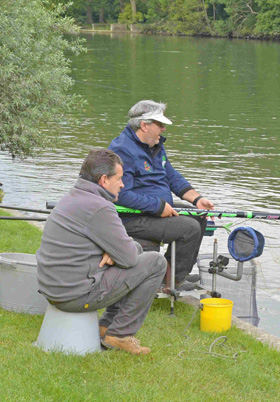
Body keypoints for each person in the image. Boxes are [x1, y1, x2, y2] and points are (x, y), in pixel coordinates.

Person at [36, 149, 167, 355]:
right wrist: (117, 254)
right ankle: (120, 334)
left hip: (54, 288)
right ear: (104, 180)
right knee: (156, 262)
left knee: (137, 250)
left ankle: (106, 326)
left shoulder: (72, 197)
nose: (122, 185)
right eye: (119, 178)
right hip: (73, 295)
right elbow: (129, 257)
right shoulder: (100, 207)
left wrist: (116, 254)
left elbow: (127, 252)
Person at [108, 100, 215, 291]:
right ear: (144, 125)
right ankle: (167, 283)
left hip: (156, 210)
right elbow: (121, 195)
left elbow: (171, 176)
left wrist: (197, 199)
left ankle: (176, 274)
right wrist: (158, 206)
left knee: (199, 217)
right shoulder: (122, 150)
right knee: (189, 228)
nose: (164, 129)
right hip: (133, 217)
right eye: (160, 124)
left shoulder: (155, 145)